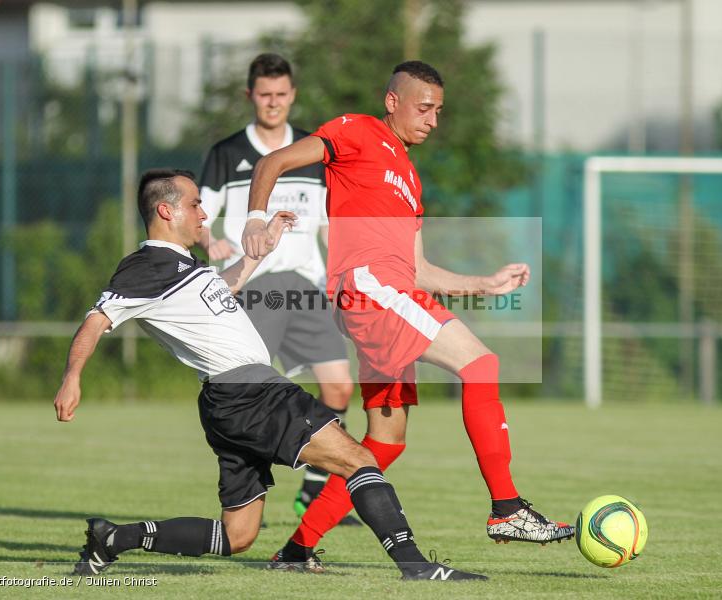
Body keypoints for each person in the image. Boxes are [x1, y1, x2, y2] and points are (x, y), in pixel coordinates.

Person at [53, 168, 485, 582]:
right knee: (360, 460)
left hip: (228, 399)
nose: (204, 213)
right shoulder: (145, 266)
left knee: (237, 536)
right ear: (166, 211)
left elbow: (222, 289)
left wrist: (258, 253)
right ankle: (415, 565)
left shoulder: (183, 264)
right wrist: (73, 377)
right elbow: (96, 320)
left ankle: (114, 538)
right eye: (195, 204)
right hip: (251, 391)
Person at [241, 61, 574, 566]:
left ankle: (296, 549)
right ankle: (507, 508)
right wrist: (255, 219)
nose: (433, 120)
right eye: (424, 108)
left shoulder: (410, 178)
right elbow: (273, 162)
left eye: (438, 111)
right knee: (480, 364)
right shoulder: (357, 130)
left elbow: (419, 270)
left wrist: (484, 284)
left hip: (385, 295)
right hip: (371, 289)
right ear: (392, 101)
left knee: (385, 443)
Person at [197, 53, 358, 524]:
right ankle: (246, 497)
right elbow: (200, 216)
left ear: (293, 95)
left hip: (306, 290)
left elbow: (328, 225)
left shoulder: (312, 150)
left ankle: (312, 492)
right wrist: (211, 240)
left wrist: (343, 271)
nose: (273, 102)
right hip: (252, 290)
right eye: (264, 94)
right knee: (247, 395)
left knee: (339, 386)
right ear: (250, 95)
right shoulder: (227, 153)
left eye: (281, 94)